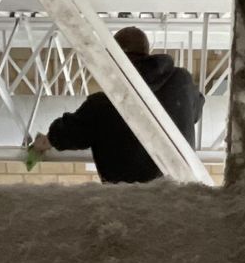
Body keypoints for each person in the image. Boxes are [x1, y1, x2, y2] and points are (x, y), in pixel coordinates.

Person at [28, 27, 204, 183]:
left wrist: (46, 140)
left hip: (126, 205)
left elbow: (69, 133)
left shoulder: (102, 105)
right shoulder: (183, 84)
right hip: (179, 198)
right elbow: (197, 109)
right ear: (147, 53)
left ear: (113, 57)